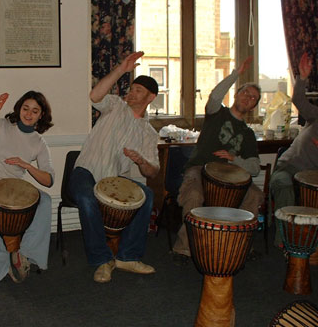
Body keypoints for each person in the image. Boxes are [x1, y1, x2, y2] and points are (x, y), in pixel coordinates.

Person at [68, 51, 160, 283]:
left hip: (115, 179)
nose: (131, 92)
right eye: (132, 88)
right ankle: (102, 260)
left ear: (151, 98)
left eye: (138, 90)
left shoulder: (149, 133)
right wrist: (121, 69)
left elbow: (153, 171)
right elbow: (94, 95)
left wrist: (141, 160)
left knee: (147, 194)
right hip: (86, 170)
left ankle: (128, 256)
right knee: (87, 198)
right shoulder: (115, 106)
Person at [172, 57, 264, 263]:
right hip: (200, 168)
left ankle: (239, 246)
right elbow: (215, 95)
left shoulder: (248, 134)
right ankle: (184, 249)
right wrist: (235, 74)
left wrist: (235, 158)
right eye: (245, 93)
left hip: (232, 176)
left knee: (255, 195)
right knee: (194, 194)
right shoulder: (217, 113)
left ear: (253, 107)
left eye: (253, 98)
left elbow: (255, 168)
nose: (248, 98)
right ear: (237, 94)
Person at [0, 90, 54, 283]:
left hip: (15, 187)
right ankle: (1, 266)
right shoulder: (2, 125)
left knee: (45, 200)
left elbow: (48, 179)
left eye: (35, 111)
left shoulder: (39, 142)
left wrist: (28, 166)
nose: (29, 114)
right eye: (25, 108)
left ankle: (25, 255)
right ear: (19, 108)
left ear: (41, 115)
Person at [270, 52, 318, 246]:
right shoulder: (316, 115)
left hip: (312, 179)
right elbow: (299, 101)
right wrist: (303, 78)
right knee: (284, 185)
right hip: (288, 169)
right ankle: (284, 240)